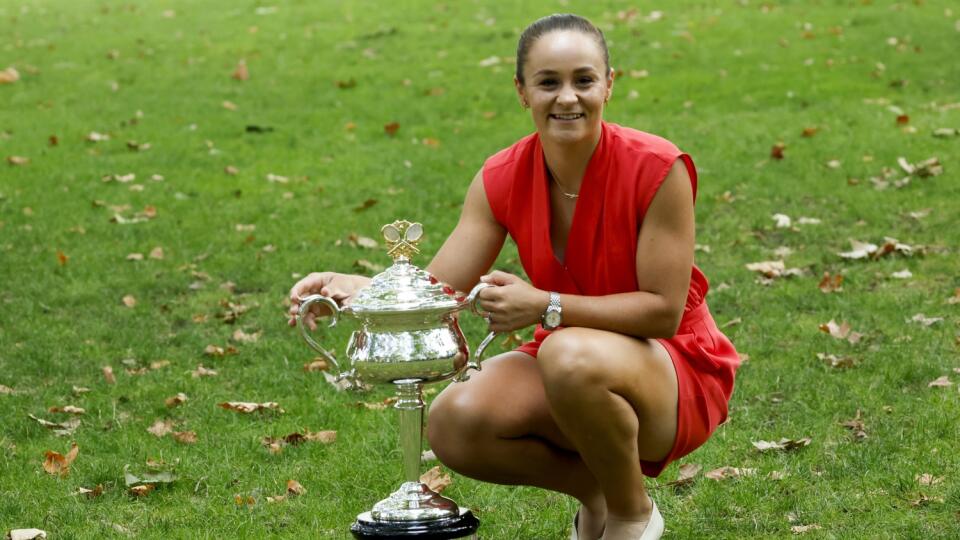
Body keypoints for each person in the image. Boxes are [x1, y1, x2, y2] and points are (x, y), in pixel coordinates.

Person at [289, 13, 740, 540]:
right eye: (548, 82)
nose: (567, 98)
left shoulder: (659, 168)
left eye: (584, 80)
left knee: (567, 353)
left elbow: (663, 311)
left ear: (609, 85)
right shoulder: (501, 176)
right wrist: (357, 288)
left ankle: (630, 514)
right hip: (570, 364)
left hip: (673, 371)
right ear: (522, 91)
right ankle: (598, 492)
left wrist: (546, 305)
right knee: (455, 421)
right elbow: (441, 290)